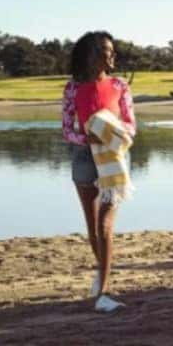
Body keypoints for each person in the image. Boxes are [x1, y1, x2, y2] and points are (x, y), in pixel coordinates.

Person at [60, 31, 135, 313]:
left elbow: (131, 126)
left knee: (105, 226)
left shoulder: (120, 85)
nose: (113, 55)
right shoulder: (72, 88)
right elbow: (67, 129)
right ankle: (102, 276)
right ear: (92, 54)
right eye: (107, 50)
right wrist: (87, 139)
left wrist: (109, 131)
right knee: (93, 228)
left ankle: (103, 293)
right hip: (83, 158)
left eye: (112, 50)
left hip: (113, 159)